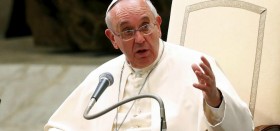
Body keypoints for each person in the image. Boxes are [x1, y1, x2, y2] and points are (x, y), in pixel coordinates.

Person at [44, 0, 254, 130]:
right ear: (112, 39)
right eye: (127, 31)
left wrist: (214, 99)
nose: (140, 39)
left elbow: (242, 127)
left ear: (159, 26)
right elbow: (62, 126)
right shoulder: (104, 77)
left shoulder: (196, 65)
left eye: (145, 26)